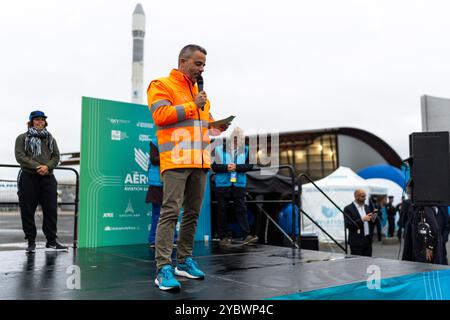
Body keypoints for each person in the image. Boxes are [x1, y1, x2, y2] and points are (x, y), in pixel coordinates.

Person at [147, 44, 228, 291]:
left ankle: (183, 261)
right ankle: (163, 268)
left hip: (200, 161)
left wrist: (217, 127)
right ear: (183, 61)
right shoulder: (161, 85)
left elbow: (203, 125)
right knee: (170, 212)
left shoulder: (201, 94)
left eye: (204, 65)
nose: (201, 69)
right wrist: (193, 104)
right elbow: (161, 115)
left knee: (192, 213)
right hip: (176, 160)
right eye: (198, 63)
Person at [15, 110, 68, 253]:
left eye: (42, 119)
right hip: (28, 177)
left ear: (45, 122)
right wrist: (38, 166)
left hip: (48, 178)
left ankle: (51, 241)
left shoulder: (50, 139)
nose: (40, 122)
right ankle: (31, 242)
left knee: (50, 210)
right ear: (31, 121)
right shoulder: (22, 138)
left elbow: (56, 156)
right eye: (37, 119)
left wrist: (47, 167)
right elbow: (20, 156)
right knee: (27, 210)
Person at [211, 127, 257, 247]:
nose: (237, 140)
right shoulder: (219, 149)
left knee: (241, 209)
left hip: (239, 184)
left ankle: (246, 235)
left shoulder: (246, 150)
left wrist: (237, 167)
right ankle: (223, 237)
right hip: (222, 184)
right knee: (222, 210)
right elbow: (214, 167)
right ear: (231, 138)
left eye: (240, 138)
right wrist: (227, 167)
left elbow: (250, 166)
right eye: (235, 138)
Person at [145, 137, 177, 248]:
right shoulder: (155, 141)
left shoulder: (177, 142)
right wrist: (171, 156)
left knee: (173, 212)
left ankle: (173, 239)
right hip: (157, 183)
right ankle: (153, 240)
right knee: (157, 213)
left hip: (173, 182)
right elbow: (154, 159)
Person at [343, 189, 377, 257]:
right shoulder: (348, 208)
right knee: (357, 263)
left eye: (365, 196)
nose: (364, 198)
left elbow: (370, 223)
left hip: (367, 240)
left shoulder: (366, 207)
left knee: (368, 262)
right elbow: (348, 224)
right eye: (362, 196)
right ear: (356, 196)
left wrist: (373, 219)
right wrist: (362, 220)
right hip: (356, 242)